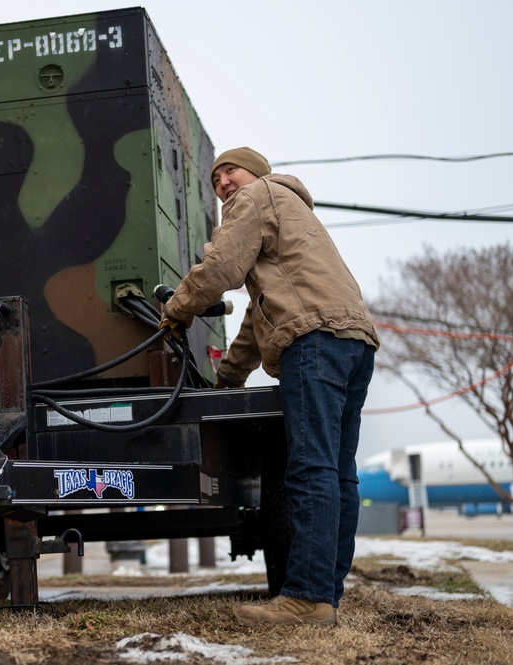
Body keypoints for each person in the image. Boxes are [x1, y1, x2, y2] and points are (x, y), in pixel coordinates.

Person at [160, 146, 379, 626]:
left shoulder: (256, 197)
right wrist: (228, 379)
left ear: (256, 173)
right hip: (354, 341)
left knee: (311, 469)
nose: (223, 183)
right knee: (339, 473)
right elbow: (259, 322)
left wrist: (175, 310)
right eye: (215, 179)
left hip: (314, 342)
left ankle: (305, 597)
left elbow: (220, 271)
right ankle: (326, 597)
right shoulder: (291, 213)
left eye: (229, 170)